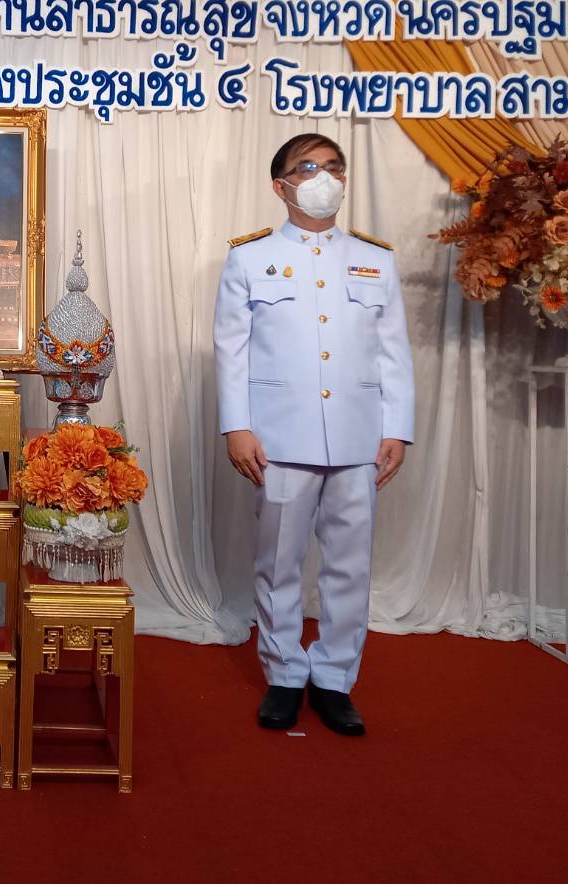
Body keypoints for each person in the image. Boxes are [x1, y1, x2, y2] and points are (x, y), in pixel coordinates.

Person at [213, 132, 414, 737]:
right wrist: (237, 426)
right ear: (281, 186)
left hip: (358, 436)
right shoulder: (250, 258)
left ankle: (333, 679)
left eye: (333, 166)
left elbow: (394, 352)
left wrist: (397, 429)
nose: (323, 177)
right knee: (278, 561)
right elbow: (231, 351)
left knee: (350, 565)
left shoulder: (376, 259)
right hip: (280, 436)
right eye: (307, 167)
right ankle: (283, 674)